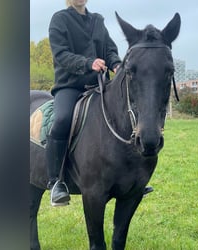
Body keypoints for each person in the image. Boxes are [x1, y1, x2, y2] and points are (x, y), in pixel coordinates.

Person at [47, 0, 153, 206]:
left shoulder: (98, 21)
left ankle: (133, 179)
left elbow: (110, 49)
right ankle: (56, 182)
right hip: (69, 86)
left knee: (126, 115)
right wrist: (88, 63)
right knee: (61, 120)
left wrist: (115, 63)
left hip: (100, 85)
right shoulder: (59, 19)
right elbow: (60, 55)